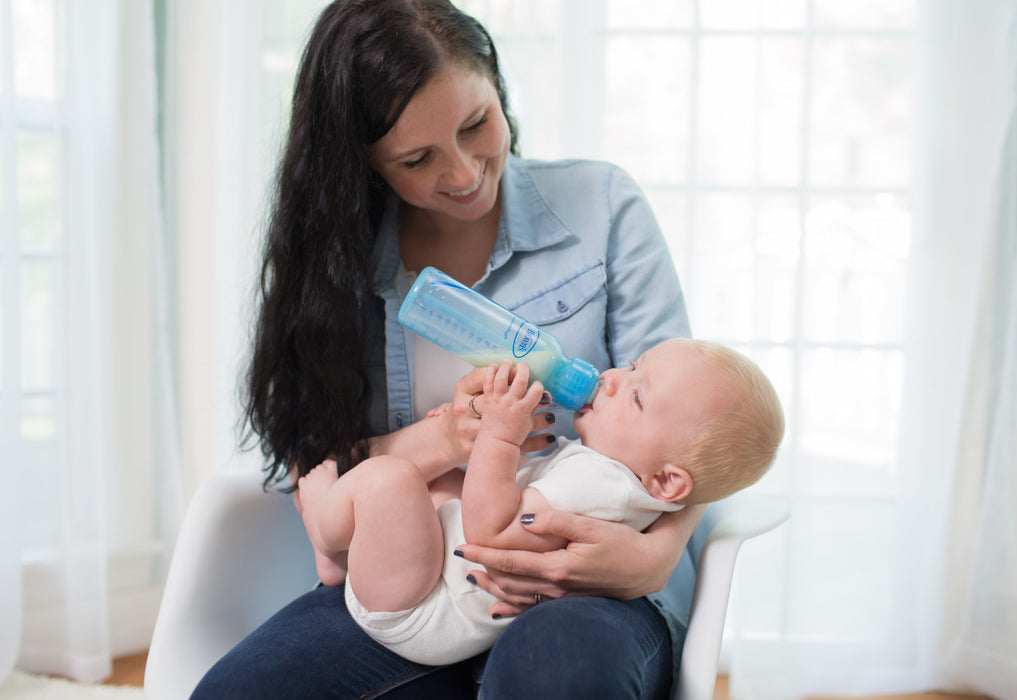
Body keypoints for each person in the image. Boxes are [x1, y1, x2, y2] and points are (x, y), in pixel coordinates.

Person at [191, 0, 707, 697]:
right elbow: (317, 468)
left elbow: (693, 427)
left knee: (551, 676)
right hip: (414, 587)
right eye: (416, 158)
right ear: (363, 162)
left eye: (476, 125)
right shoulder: (337, 261)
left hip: (591, 586)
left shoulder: (600, 206)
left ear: (497, 85)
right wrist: (448, 441)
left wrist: (652, 558)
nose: (464, 174)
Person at [297, 339, 784, 667]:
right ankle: (346, 562)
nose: (612, 377)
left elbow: (488, 531)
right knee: (439, 481)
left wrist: (499, 437)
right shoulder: (620, 480)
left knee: (390, 478)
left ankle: (324, 532)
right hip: (433, 577)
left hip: (421, 609)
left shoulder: (601, 484)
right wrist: (466, 442)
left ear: (667, 480)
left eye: (636, 396)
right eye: (632, 366)